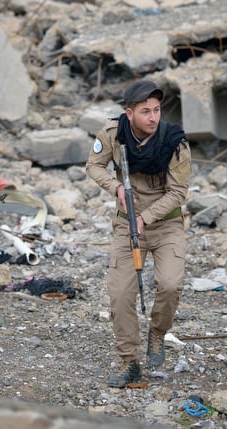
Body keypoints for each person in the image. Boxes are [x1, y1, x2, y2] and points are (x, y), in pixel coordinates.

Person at [85, 79, 191, 387]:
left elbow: (177, 191)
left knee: (170, 285)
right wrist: (116, 187)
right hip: (125, 224)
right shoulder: (112, 135)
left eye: (157, 110)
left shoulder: (175, 142)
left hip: (167, 224)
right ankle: (128, 359)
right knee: (120, 294)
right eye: (146, 111)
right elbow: (94, 166)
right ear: (129, 113)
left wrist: (145, 217)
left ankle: (157, 334)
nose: (153, 117)